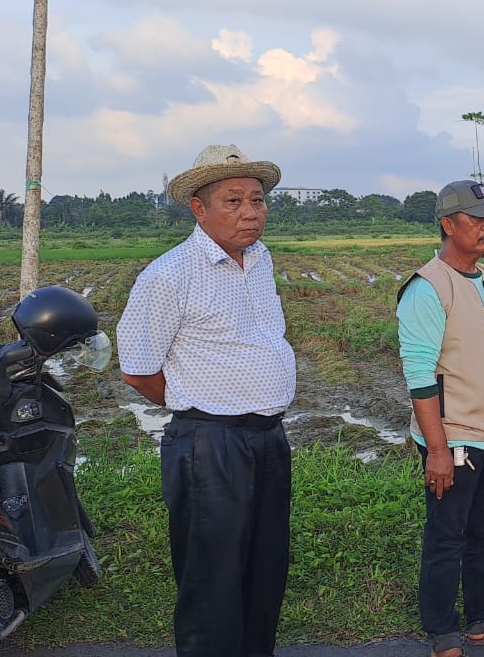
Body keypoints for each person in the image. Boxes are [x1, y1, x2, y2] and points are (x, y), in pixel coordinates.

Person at [116, 144, 295, 657]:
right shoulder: (169, 274)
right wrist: (200, 406)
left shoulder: (259, 259)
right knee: (212, 579)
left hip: (267, 438)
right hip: (209, 444)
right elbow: (138, 370)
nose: (250, 213)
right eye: (233, 201)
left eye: (257, 200)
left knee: (265, 568)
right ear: (199, 208)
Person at [396, 179, 484, 657]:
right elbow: (420, 377)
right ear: (447, 224)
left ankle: (483, 618)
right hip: (455, 439)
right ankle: (442, 632)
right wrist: (437, 450)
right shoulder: (427, 288)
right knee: (447, 537)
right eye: (477, 219)